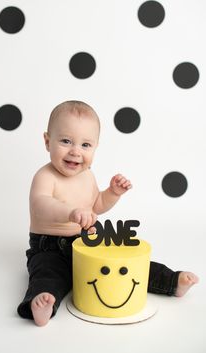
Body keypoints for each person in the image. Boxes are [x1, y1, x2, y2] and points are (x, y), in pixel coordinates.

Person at [17, 100, 199, 326]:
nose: (75, 151)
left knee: (123, 266)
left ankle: (172, 281)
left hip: (85, 243)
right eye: (66, 141)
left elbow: (97, 205)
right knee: (48, 274)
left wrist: (112, 193)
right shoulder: (45, 176)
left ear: (95, 147)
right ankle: (44, 302)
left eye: (85, 145)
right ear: (47, 141)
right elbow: (41, 204)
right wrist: (71, 212)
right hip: (49, 247)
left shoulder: (88, 176)